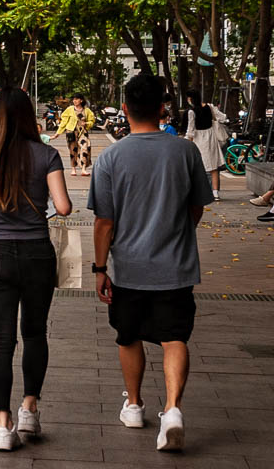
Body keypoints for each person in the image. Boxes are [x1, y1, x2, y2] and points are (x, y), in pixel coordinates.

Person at [88, 74, 214, 453]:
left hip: (128, 268)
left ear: (125, 108)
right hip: (176, 267)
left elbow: (104, 221)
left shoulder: (110, 157)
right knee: (175, 337)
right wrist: (178, 231)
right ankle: (172, 410)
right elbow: (197, 207)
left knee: (128, 336)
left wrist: (100, 269)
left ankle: (134, 405)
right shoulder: (186, 152)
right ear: (162, 109)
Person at [0, 89, 72, 452]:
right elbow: (63, 207)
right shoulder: (47, 155)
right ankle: (29, 408)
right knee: (35, 333)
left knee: (0, 339)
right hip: (37, 253)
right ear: (28, 116)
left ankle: (2, 424)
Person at [182, 92, 228, 201]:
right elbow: (223, 117)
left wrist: (186, 142)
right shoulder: (210, 107)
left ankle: (198, 192)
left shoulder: (191, 112)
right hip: (211, 138)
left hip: (199, 140)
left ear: (191, 99)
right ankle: (215, 193)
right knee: (214, 167)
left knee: (198, 166)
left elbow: (190, 130)